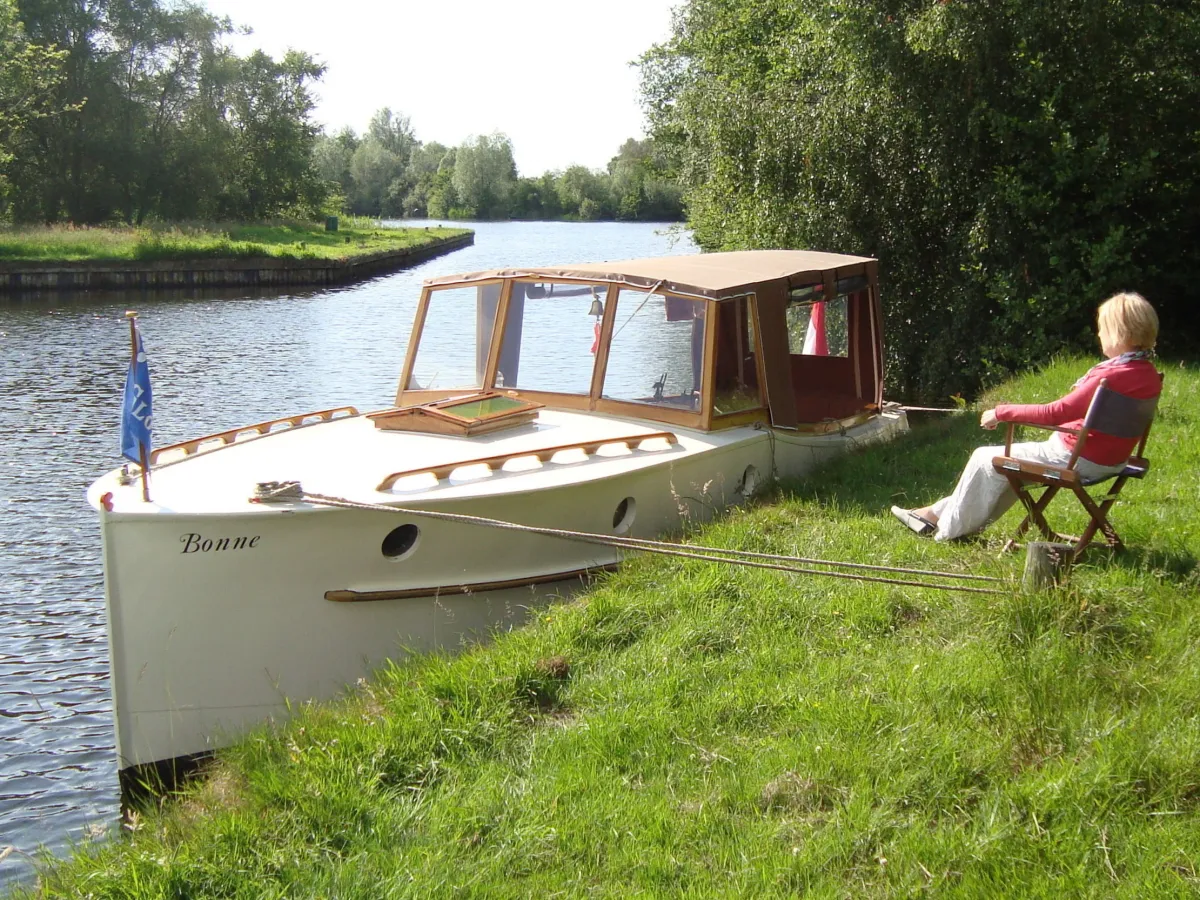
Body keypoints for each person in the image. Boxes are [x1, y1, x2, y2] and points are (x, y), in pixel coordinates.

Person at [891, 292, 1161, 541]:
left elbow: (1056, 412)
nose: (1099, 334)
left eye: (1102, 328)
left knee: (985, 459)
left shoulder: (1109, 376)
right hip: (1112, 461)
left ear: (1118, 332)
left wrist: (1001, 412)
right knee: (1005, 471)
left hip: (1077, 460)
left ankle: (947, 532)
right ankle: (930, 515)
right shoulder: (1148, 374)